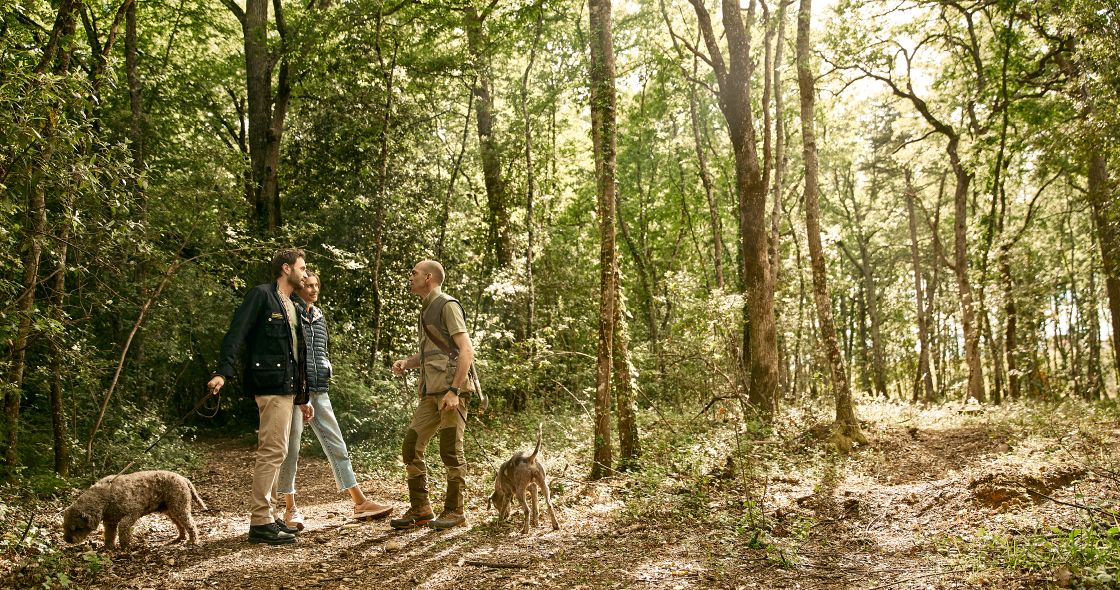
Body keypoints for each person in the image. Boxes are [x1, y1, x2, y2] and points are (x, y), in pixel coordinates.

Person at [207, 248, 312, 545]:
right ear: (285, 268)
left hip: (289, 387)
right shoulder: (261, 295)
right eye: (301, 268)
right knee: (272, 450)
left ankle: (271, 516)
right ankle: (260, 521)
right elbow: (236, 334)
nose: (304, 274)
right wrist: (222, 373)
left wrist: (303, 396)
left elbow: (296, 354)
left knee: (279, 452)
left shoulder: (292, 303)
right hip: (269, 385)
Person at [276, 269, 393, 529]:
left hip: (320, 389)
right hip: (296, 392)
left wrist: (326, 369)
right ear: (297, 288)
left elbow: (322, 350)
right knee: (291, 449)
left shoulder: (318, 315)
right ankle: (290, 508)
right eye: (308, 285)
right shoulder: (291, 313)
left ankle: (360, 502)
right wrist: (298, 392)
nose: (314, 290)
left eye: (317, 285)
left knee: (337, 445)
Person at [390, 260, 476, 530]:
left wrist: (454, 390)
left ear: (429, 277)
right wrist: (407, 362)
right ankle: (421, 509)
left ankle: (455, 510)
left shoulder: (447, 305)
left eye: (414, 272)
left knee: (450, 449)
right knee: (411, 446)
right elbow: (435, 352)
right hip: (430, 393)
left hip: (451, 393)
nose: (410, 276)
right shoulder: (426, 308)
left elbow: (466, 350)